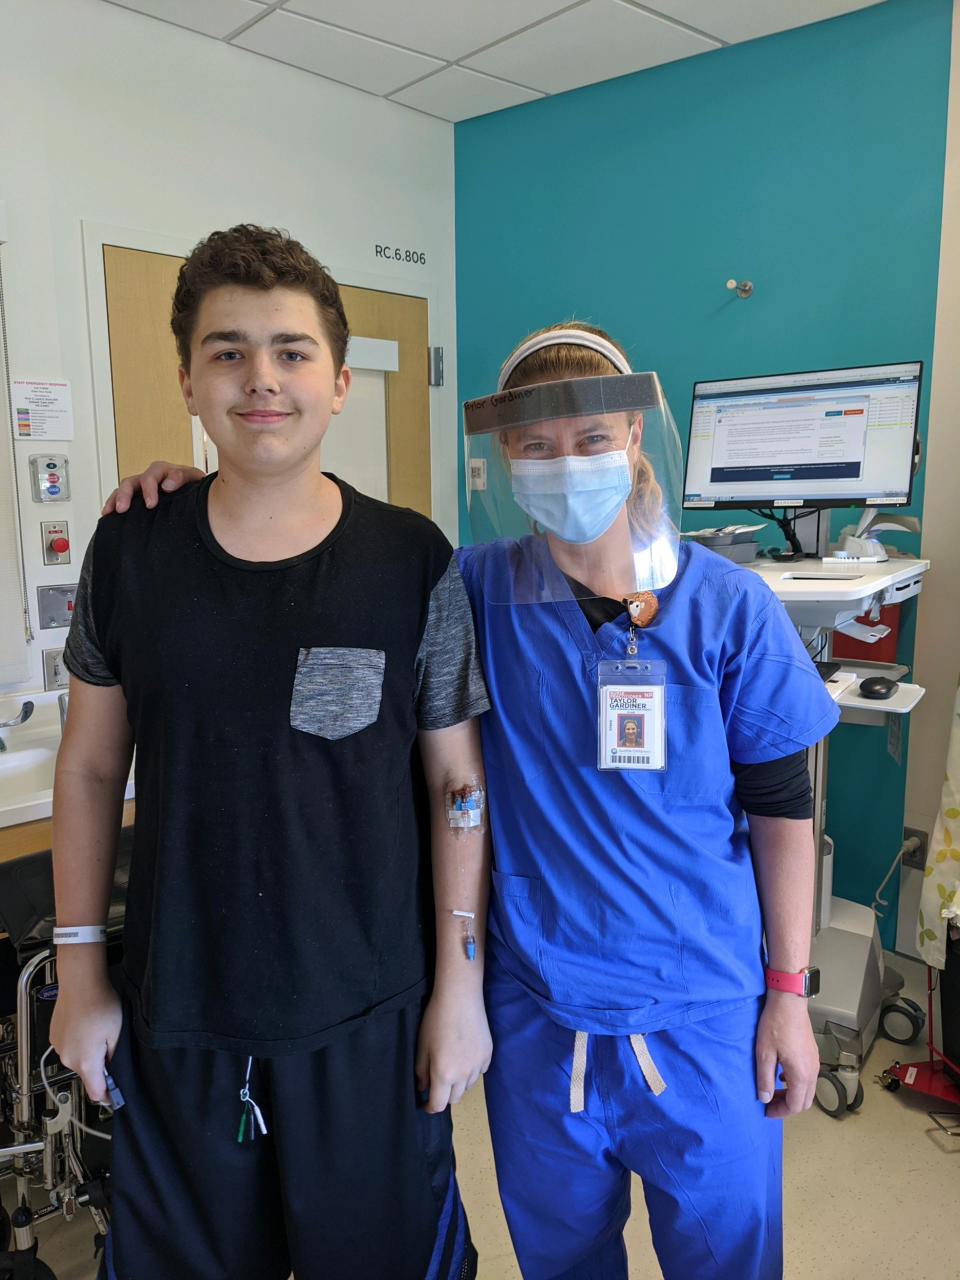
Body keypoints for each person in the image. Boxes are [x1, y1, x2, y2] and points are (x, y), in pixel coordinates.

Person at [110, 322, 840, 1280]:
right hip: (538, 1009)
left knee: (727, 1256)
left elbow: (785, 810)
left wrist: (789, 995)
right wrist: (206, 494)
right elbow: (338, 619)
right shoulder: (473, 592)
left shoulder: (728, 608)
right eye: (535, 447)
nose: (563, 463)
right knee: (562, 1258)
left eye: (588, 440)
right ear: (506, 458)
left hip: (702, 1010)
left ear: (632, 441)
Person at [51, 224, 491, 1280]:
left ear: (340, 382)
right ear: (189, 382)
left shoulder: (410, 558)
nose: (263, 379)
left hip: (370, 1009)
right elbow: (89, 766)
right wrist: (77, 973)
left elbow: (457, 783)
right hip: (182, 1009)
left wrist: (461, 989)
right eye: (228, 351)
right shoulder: (132, 550)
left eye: (292, 352)